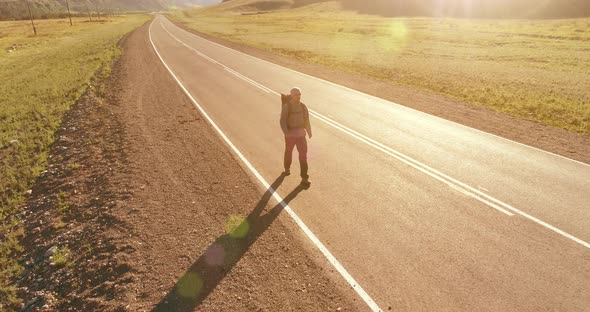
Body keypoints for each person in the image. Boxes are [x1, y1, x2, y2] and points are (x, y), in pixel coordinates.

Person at [280, 87, 312, 186]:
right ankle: (287, 168)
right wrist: (286, 132)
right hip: (290, 135)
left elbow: (307, 119)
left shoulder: (303, 106)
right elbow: (282, 120)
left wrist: (309, 131)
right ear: (292, 96)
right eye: (296, 95)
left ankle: (304, 178)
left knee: (303, 156)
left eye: (299, 94)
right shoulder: (287, 106)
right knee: (289, 152)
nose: (298, 96)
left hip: (301, 135)